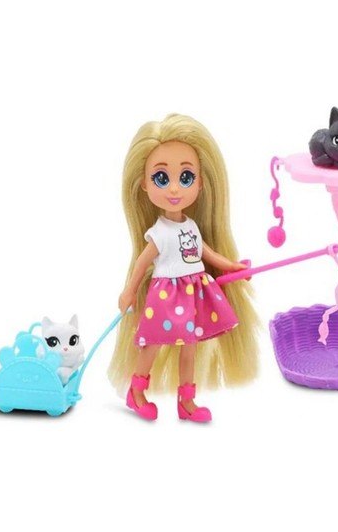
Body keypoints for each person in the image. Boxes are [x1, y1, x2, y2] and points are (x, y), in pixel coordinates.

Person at [108, 114, 258, 422]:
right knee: (151, 344)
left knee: (189, 348)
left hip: (192, 293)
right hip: (166, 294)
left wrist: (232, 266)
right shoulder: (159, 232)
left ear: (200, 183)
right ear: (144, 184)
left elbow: (206, 253)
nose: (175, 189)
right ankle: (136, 392)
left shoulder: (191, 226)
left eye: (186, 177)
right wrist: (129, 291)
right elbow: (142, 262)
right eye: (162, 178)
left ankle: (186, 402)